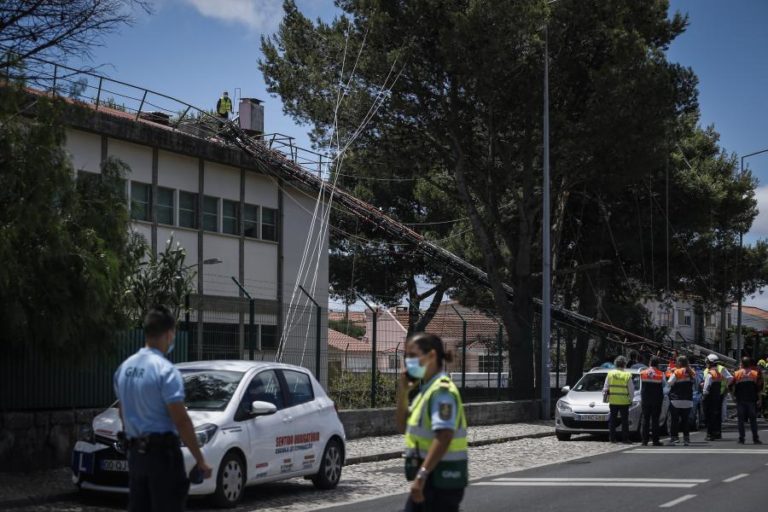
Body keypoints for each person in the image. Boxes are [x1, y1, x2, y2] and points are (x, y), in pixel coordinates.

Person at [114, 305, 213, 512]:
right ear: (169, 334)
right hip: (162, 458)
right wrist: (200, 459)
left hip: (136, 457)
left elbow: (123, 412)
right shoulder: (165, 371)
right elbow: (181, 420)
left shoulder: (124, 369)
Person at [396, 332, 467, 512]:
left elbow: (444, 435)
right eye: (407, 356)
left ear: (432, 356)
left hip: (441, 479)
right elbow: (402, 426)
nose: (408, 362)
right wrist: (403, 392)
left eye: (413, 356)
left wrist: (421, 476)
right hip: (432, 478)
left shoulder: (442, 391)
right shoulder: (427, 391)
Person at [730, 357, 763, 445]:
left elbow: (730, 385)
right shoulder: (755, 373)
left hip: (740, 400)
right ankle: (755, 439)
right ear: (750, 364)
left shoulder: (737, 373)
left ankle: (741, 439)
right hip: (752, 400)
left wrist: (733, 396)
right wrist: (759, 399)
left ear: (742, 364)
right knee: (753, 420)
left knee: (741, 420)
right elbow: (759, 387)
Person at [602, 356, 634, 444]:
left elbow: (605, 387)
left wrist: (605, 397)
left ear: (615, 364)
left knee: (612, 420)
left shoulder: (610, 374)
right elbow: (631, 389)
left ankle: (612, 438)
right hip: (624, 401)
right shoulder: (627, 375)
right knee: (624, 421)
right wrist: (631, 399)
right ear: (624, 364)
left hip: (613, 400)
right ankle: (625, 439)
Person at [666, 355, 696, 446]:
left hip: (676, 400)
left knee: (674, 420)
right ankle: (686, 439)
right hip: (688, 400)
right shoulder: (691, 372)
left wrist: (670, 373)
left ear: (679, 363)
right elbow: (695, 383)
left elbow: (669, 383)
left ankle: (674, 438)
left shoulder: (676, 372)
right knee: (685, 420)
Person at [639, 357, 664, 446]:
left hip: (645, 399)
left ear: (649, 363)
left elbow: (641, 386)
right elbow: (664, 386)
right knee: (655, 420)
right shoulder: (660, 374)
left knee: (645, 419)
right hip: (656, 400)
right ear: (658, 364)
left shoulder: (642, 373)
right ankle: (655, 441)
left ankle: (644, 441)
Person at [702, 355, 724, 441]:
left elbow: (706, 388)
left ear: (710, 363)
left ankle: (709, 434)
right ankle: (715, 433)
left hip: (709, 398)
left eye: (707, 362)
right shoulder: (718, 373)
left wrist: (704, 396)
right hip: (716, 397)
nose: (706, 364)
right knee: (714, 415)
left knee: (708, 416)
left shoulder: (710, 374)